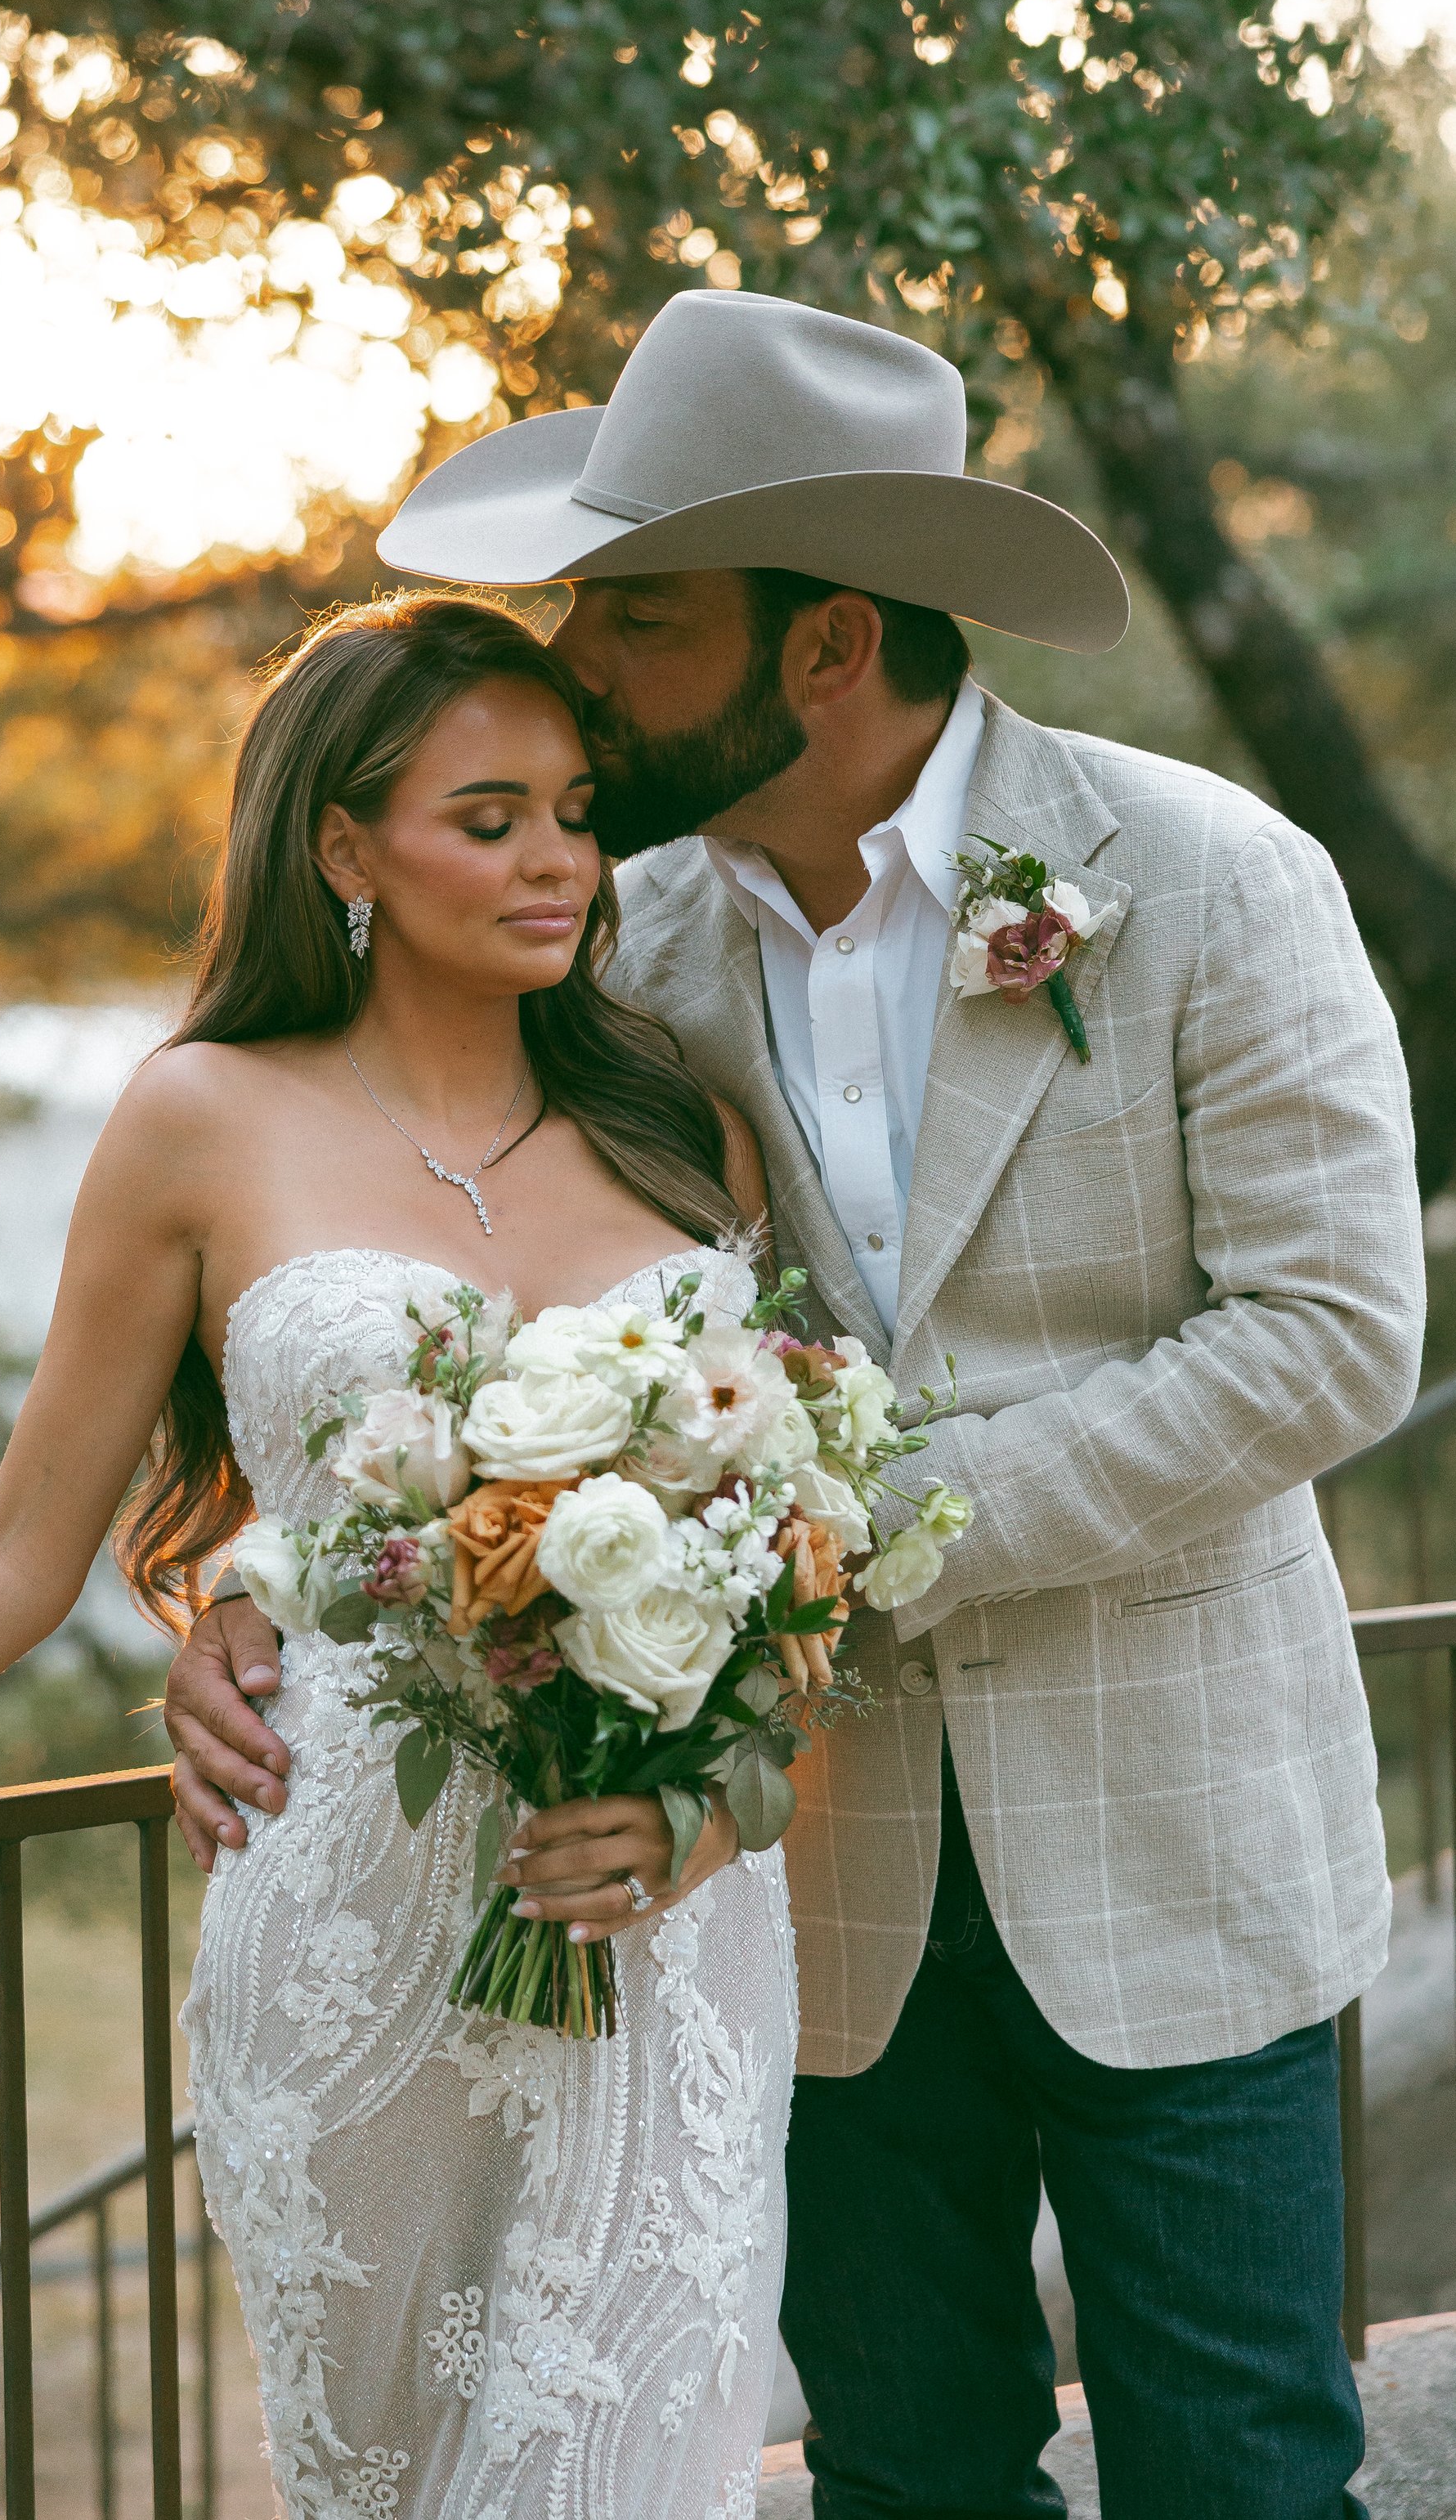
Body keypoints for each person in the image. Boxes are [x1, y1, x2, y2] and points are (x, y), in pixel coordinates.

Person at [167, 294, 1426, 2520]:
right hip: (794, 1871)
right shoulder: (618, 943)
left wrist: (852, 1523)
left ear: (824, 641)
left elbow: (1327, 1336)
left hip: (1182, 1844)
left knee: (1241, 2469)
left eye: (635, 617)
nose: (575, 667)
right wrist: (293, 1577)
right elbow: (492, 1298)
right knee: (908, 2474)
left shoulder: (1213, 878)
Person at [0, 594, 795, 2520]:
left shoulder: (678, 1119)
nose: (555, 863)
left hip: (652, 1937)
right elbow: (14, 1559)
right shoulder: (201, 1119)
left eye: (575, 812)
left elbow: (790, 1563)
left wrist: (704, 1824)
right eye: (488, 815)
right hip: (350, 1928)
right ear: (342, 845)